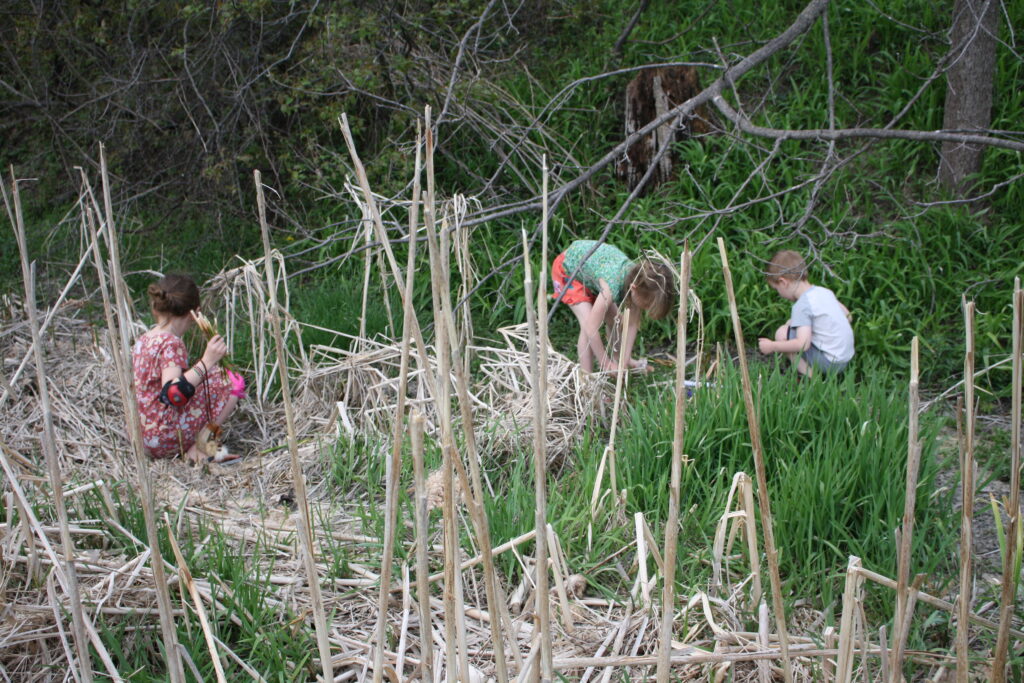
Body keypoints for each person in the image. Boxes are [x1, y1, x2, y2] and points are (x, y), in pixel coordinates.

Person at [132, 274, 245, 463]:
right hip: (162, 437)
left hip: (140, 435)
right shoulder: (171, 343)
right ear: (195, 313)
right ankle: (200, 449)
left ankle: (200, 446)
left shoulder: (144, 340)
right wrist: (207, 361)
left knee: (211, 377)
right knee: (232, 381)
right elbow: (172, 394)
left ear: (156, 307)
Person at [551, 239, 676, 373]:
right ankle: (586, 378)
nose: (645, 308)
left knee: (616, 320)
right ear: (634, 289)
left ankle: (619, 360)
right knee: (587, 325)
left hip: (592, 272)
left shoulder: (640, 279)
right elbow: (591, 327)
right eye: (646, 305)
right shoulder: (612, 287)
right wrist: (605, 362)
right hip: (568, 271)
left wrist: (624, 359)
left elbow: (632, 323)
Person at [757, 250, 854, 377]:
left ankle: (810, 377)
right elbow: (848, 317)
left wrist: (772, 346)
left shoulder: (802, 305)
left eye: (777, 289)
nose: (779, 294)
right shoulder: (823, 292)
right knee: (790, 325)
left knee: (782, 333)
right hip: (844, 360)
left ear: (783, 282)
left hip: (829, 363)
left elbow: (803, 344)